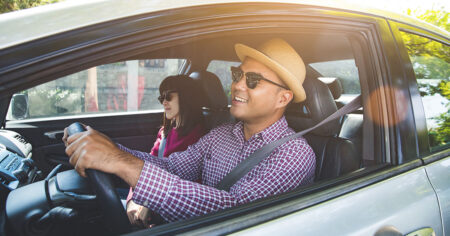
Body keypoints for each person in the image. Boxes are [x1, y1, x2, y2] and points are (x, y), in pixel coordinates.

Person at [64, 38, 316, 223]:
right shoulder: (222, 134)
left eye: (253, 80)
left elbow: (235, 212)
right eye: (238, 74)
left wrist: (123, 164)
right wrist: (108, 148)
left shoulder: (294, 155)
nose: (238, 85)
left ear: (283, 99)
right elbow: (173, 168)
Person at [126, 75, 205, 227]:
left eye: (168, 96)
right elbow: (143, 168)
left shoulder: (201, 140)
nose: (164, 102)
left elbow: (186, 189)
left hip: (171, 215)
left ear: (186, 97)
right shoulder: (165, 132)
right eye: (161, 97)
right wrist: (133, 200)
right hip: (148, 204)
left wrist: (148, 203)